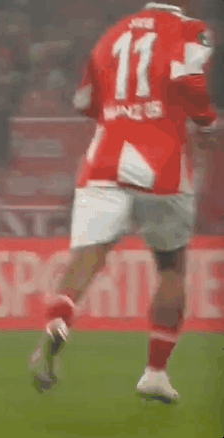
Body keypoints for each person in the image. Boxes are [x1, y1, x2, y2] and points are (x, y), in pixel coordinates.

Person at [29, 1, 218, 403]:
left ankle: (59, 320)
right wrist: (207, 123)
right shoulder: (190, 29)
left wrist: (123, 111)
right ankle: (155, 373)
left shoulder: (112, 35)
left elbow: (84, 102)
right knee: (171, 267)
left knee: (87, 257)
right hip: (162, 164)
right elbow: (189, 82)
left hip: (104, 160)